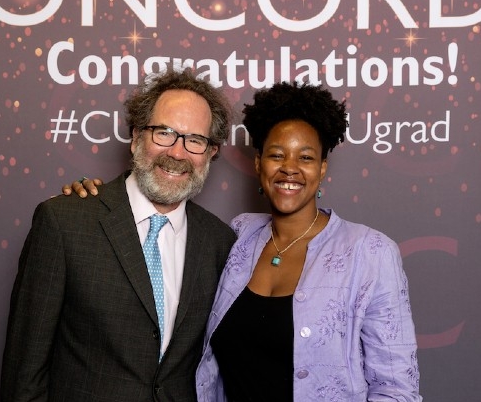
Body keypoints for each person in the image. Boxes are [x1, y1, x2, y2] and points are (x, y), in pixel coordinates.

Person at [68, 81, 422, 401]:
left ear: (323, 168)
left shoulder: (370, 253)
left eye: (306, 158)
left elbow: (397, 390)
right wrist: (100, 199)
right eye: (277, 155)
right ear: (258, 164)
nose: (290, 168)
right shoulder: (236, 239)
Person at [0, 68, 237, 402]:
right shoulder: (65, 222)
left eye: (194, 140)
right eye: (164, 133)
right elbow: (24, 372)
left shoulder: (220, 243)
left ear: (211, 152)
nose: (178, 153)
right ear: (137, 134)